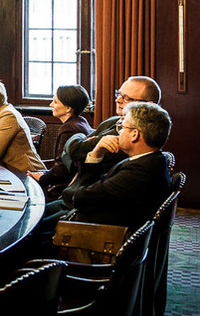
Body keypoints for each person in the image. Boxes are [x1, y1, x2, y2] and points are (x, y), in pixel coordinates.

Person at [42, 76, 162, 224]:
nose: (118, 100)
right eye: (119, 94)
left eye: (127, 98)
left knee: (29, 226)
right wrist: (93, 152)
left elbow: (75, 154)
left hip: (83, 218)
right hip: (79, 203)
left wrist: (88, 148)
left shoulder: (137, 169)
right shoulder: (143, 157)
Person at [65, 101, 172, 229]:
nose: (119, 132)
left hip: (97, 235)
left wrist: (93, 156)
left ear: (134, 134)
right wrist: (96, 154)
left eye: (122, 127)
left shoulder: (138, 173)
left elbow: (80, 198)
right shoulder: (151, 160)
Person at [28, 85, 93, 196]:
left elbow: (62, 171)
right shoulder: (81, 121)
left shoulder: (68, 129)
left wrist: (42, 177)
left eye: (55, 102)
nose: (51, 105)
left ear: (68, 108)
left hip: (67, 188)